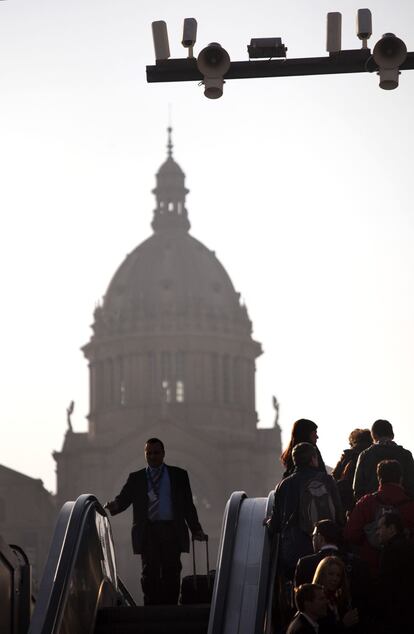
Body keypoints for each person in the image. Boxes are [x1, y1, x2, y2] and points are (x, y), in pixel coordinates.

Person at [104, 437, 207, 605]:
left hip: (171, 530)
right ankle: (150, 607)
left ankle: (170, 607)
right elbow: (124, 499)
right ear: (145, 454)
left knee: (172, 570)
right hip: (148, 531)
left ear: (163, 454)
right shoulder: (136, 478)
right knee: (149, 572)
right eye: (149, 453)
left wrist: (196, 530)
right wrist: (114, 505)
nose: (152, 456)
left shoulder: (179, 476)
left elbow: (188, 505)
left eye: (156, 453)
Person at [268, 442, 344, 580]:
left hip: (295, 553)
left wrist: (268, 523)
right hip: (325, 547)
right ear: (313, 459)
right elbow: (339, 514)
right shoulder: (327, 480)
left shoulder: (284, 485)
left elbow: (276, 524)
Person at [344, 459, 414, 577]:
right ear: (401, 478)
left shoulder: (366, 502)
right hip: (404, 570)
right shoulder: (410, 506)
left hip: (370, 568)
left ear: (379, 478)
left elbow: (350, 534)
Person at [294, 519, 370, 616]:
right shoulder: (357, 562)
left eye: (313, 536)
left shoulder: (305, 563)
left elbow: (299, 600)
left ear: (320, 538)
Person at [353, 419, 414, 500]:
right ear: (392, 435)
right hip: (402, 507)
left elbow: (357, 488)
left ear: (373, 435)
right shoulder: (406, 455)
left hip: (372, 508)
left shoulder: (365, 455)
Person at [374, 512, 414, 631]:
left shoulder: (389, 551)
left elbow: (385, 585)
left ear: (391, 529)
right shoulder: (409, 546)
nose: (377, 532)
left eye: (380, 528)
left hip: (398, 613)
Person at [312, 556, 359, 631]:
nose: (335, 579)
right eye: (331, 574)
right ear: (322, 574)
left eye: (338, 575)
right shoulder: (314, 600)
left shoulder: (337, 599)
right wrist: (343, 624)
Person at [332, 429, 372, 513]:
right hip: (368, 503)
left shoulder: (347, 457)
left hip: (347, 504)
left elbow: (335, 476)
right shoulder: (372, 456)